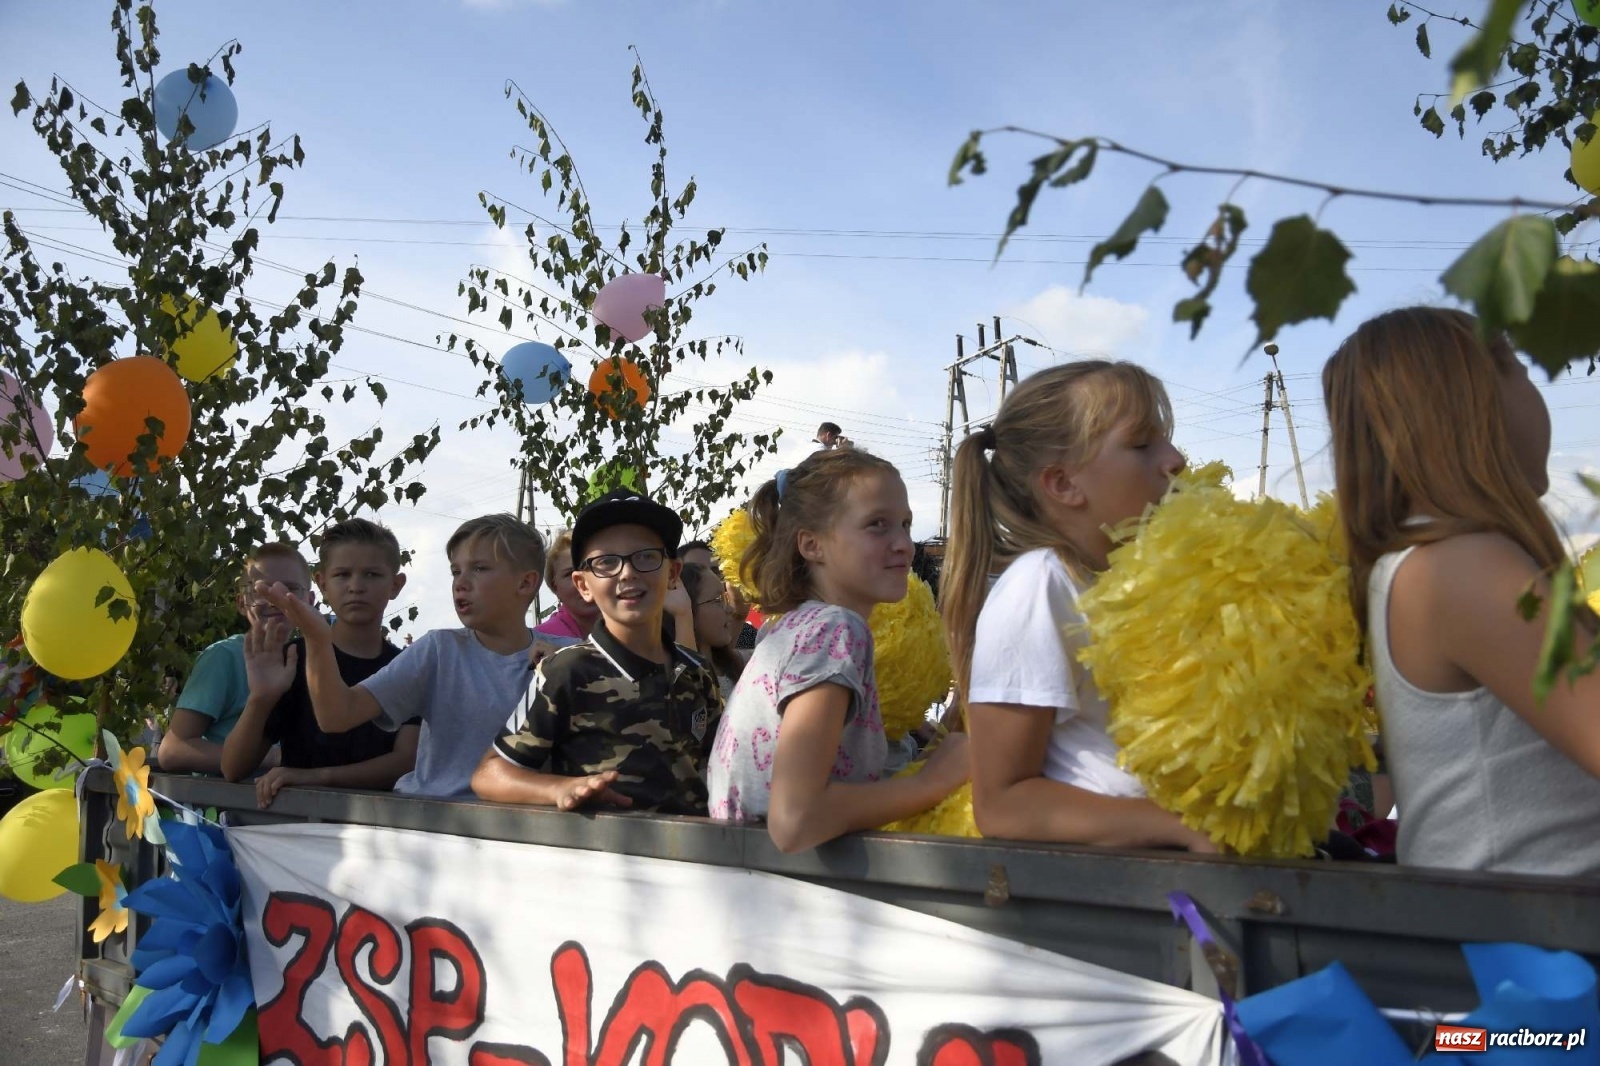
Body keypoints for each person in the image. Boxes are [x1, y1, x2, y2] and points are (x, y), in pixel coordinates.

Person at [1323, 307, 1600, 876]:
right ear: (1475, 401)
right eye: (1519, 367)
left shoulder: (1424, 561)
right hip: (1543, 951)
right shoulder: (1460, 566)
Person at [941, 362, 1216, 852]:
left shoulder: (1129, 579)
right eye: (1141, 444)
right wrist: (1177, 825)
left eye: (1167, 440)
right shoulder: (1041, 585)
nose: (1175, 459)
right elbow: (1003, 803)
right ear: (1063, 484)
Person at [707, 450, 969, 852]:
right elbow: (795, 821)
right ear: (812, 545)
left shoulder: (788, 627)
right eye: (877, 525)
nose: (904, 544)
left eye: (905, 524)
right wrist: (930, 783)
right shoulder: (836, 630)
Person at [256, 514, 546, 798]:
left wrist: (572, 666)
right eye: (456, 571)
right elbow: (336, 716)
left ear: (525, 583)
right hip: (433, 826)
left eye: (480, 568)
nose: (461, 582)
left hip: (531, 834)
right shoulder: (438, 650)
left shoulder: (569, 653)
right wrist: (318, 639)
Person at [471, 488, 721, 813]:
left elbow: (723, 766)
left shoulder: (697, 671)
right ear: (583, 585)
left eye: (646, 556)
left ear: (673, 573)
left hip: (699, 857)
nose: (627, 572)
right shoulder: (566, 671)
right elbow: (489, 774)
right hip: (602, 858)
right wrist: (561, 789)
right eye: (606, 562)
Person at [220, 519, 419, 808]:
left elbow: (404, 763)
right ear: (322, 583)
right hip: (295, 830)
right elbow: (232, 768)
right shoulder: (293, 659)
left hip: (382, 831)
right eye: (342, 574)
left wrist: (313, 777)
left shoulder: (408, 667)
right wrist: (260, 699)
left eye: (372, 574)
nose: (356, 586)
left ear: (396, 584)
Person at [158, 544, 313, 774]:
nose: (274, 599)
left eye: (289, 589)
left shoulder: (316, 660)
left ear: (309, 600)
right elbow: (173, 750)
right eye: (261, 590)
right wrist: (277, 757)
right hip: (230, 806)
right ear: (241, 603)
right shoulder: (223, 658)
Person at [679, 561, 745, 699]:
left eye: (725, 598)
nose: (729, 609)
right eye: (717, 600)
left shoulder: (741, 662)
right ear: (687, 609)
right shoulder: (680, 685)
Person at [533, 529, 600, 640]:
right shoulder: (542, 640)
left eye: (591, 569)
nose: (584, 583)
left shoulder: (634, 633)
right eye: (570, 574)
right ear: (554, 587)